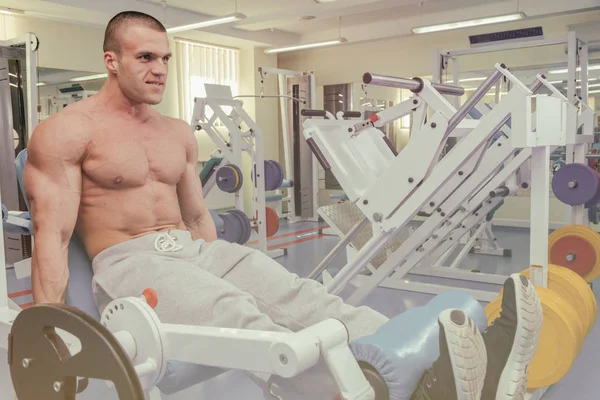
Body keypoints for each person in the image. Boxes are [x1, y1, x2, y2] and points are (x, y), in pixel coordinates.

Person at [22, 11, 542, 400]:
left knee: (305, 297)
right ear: (111, 61)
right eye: (145, 58)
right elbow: (53, 235)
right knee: (236, 315)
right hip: (132, 260)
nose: (159, 69)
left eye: (165, 59)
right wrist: (49, 330)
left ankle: (446, 358)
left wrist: (219, 263)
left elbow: (200, 217)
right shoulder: (69, 130)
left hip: (193, 248)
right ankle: (369, 388)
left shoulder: (176, 133)